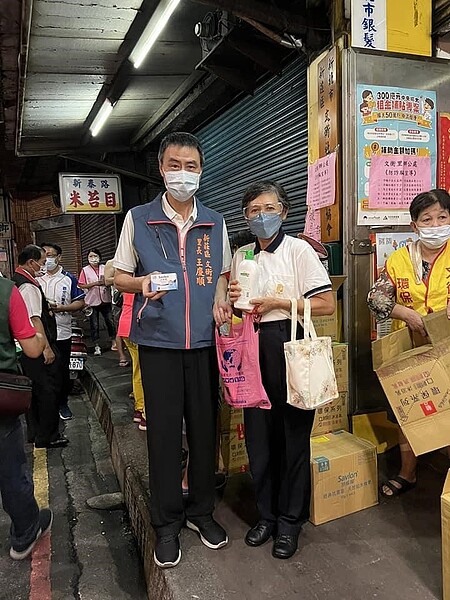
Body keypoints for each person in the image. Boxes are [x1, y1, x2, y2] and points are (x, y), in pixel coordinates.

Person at [114, 131, 231, 568]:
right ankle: (166, 523)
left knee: (204, 431)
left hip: (203, 343)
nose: (184, 174)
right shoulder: (138, 218)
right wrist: (140, 283)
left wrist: (221, 297)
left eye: (192, 166)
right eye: (175, 165)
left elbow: (222, 273)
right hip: (158, 342)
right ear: (161, 169)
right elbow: (117, 274)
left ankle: (201, 512)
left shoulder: (214, 221)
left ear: (201, 170)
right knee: (163, 437)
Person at [215, 180, 334, 560]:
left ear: (283, 211)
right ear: (246, 218)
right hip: (252, 348)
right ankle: (265, 515)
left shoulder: (299, 250)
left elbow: (327, 304)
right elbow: (240, 308)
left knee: (293, 439)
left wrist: (278, 302)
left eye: (269, 208)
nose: (262, 216)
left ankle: (289, 521)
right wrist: (234, 302)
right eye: (254, 211)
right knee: (259, 441)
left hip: (289, 345)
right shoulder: (242, 255)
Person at [367, 188, 450, 497]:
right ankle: (408, 472)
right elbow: (375, 297)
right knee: (409, 410)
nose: (436, 224)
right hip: (412, 348)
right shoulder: (401, 258)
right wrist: (405, 312)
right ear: (415, 226)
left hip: (449, 348)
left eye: (442, 217)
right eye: (427, 219)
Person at [0, 276, 53, 560]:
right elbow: (32, 348)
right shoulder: (7, 291)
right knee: (10, 469)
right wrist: (42, 337)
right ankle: (25, 533)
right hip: (1, 399)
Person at [13, 245, 68, 449]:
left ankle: (35, 433)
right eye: (42, 262)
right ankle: (48, 436)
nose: (44, 266)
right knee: (47, 391)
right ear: (31, 262)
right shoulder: (28, 286)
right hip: (35, 346)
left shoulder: (17, 281)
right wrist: (45, 347)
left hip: (26, 347)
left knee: (35, 391)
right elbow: (34, 319)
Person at [38, 242, 85, 420]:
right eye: (44, 255)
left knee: (62, 371)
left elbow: (81, 302)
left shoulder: (69, 278)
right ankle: (46, 407)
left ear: (59, 257)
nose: (47, 258)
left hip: (62, 331)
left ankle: (62, 404)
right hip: (40, 333)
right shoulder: (37, 278)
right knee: (44, 372)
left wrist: (63, 307)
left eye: (51, 255)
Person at [117, 292, 146, 430]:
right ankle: (144, 413)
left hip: (125, 325)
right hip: (137, 327)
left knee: (137, 369)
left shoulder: (128, 280)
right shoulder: (143, 280)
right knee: (143, 371)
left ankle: (139, 409)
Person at [78, 248, 116, 356]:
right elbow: (81, 284)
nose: (93, 259)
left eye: (95, 256)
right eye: (91, 256)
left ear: (99, 257)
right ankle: (96, 345)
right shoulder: (85, 270)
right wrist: (94, 284)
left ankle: (114, 342)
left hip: (105, 299)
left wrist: (105, 283)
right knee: (94, 325)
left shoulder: (105, 268)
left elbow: (111, 280)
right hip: (92, 301)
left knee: (110, 321)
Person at [104, 259, 129, 367]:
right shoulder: (111, 262)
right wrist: (126, 279)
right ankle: (122, 356)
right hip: (119, 301)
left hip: (134, 298)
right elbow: (107, 280)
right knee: (120, 329)